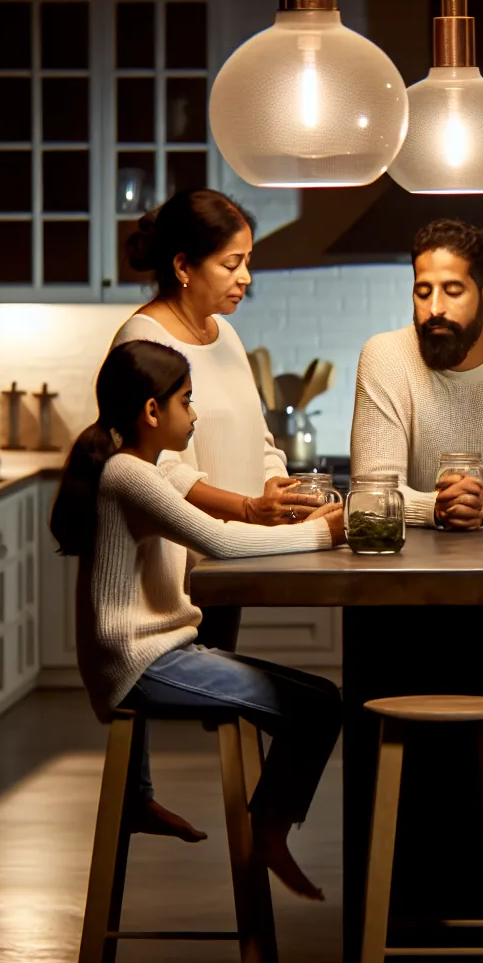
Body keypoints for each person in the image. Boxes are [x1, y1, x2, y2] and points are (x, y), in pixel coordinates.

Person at [50, 340, 346, 899]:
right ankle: (268, 833)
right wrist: (317, 533)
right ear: (152, 412)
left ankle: (151, 801)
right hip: (142, 663)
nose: (195, 414)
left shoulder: (141, 467)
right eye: (186, 401)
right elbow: (220, 541)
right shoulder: (129, 476)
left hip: (157, 655)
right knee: (318, 704)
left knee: (320, 697)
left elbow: (209, 519)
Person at [113, 189, 324, 649]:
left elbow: (259, 436)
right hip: (184, 562)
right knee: (215, 687)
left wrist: (276, 487)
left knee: (224, 686)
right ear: (184, 266)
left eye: (248, 261)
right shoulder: (143, 340)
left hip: (234, 550)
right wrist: (247, 509)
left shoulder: (224, 332)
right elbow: (159, 471)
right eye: (231, 264)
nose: (245, 276)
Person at [351, 218, 483, 530]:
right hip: (410, 569)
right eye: (423, 292)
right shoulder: (385, 356)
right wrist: (436, 508)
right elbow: (370, 498)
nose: (435, 308)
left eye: (452, 291)